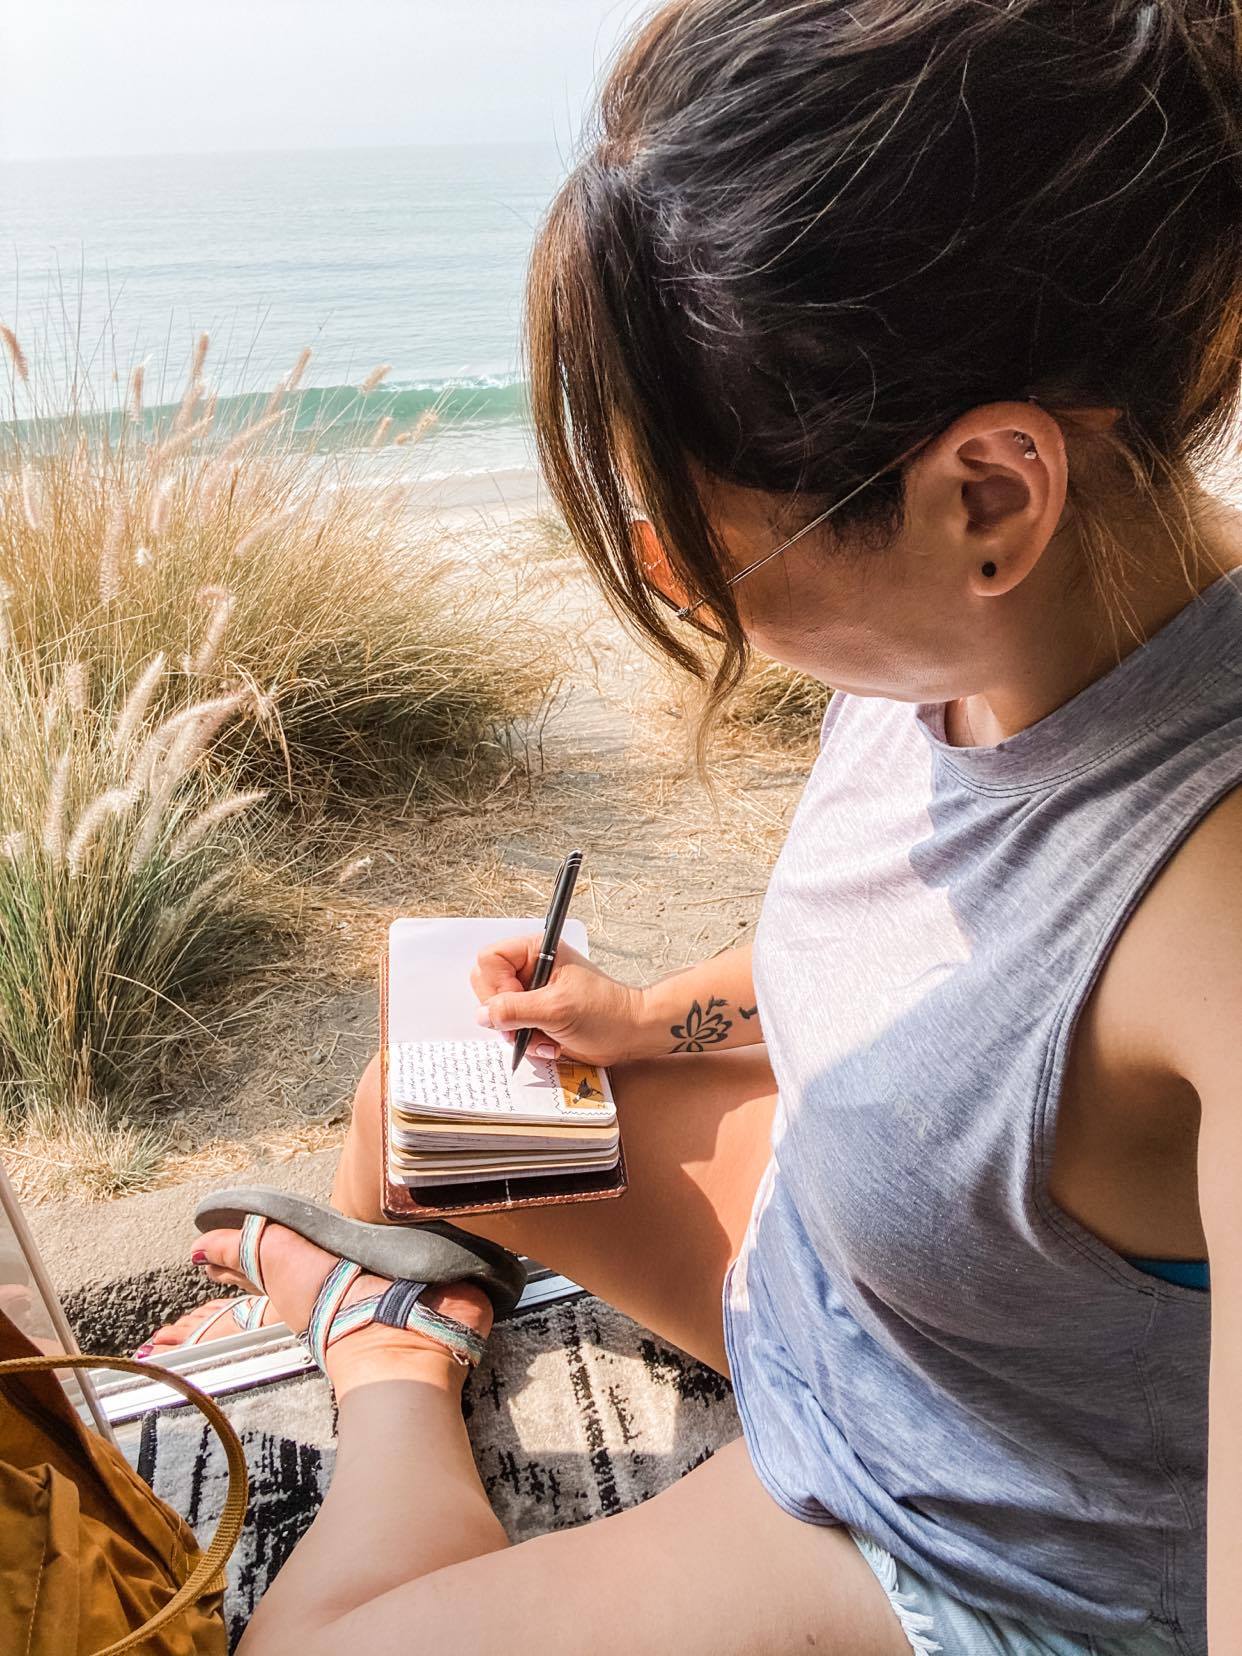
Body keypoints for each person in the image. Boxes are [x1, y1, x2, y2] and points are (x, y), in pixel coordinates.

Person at [145, 3, 1242, 1651]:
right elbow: (974, 938)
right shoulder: (988, 620)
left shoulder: (1213, 914)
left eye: (685, 537)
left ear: (983, 496)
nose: (665, 574)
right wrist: (654, 1018)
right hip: (880, 1298)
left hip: (966, 1534)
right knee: (421, 1117)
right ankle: (422, 1291)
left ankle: (389, 1351)